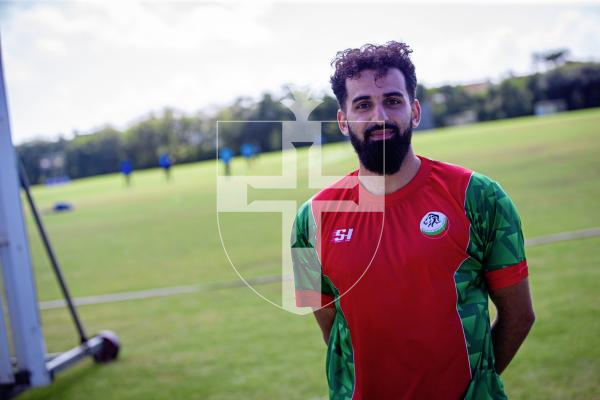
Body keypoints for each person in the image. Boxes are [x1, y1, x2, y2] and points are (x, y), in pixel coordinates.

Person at [291, 42, 535, 400]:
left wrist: (475, 384)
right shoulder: (309, 221)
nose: (380, 117)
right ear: (343, 121)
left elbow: (519, 315)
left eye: (392, 101)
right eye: (363, 105)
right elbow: (334, 329)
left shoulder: (479, 196)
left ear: (415, 110)